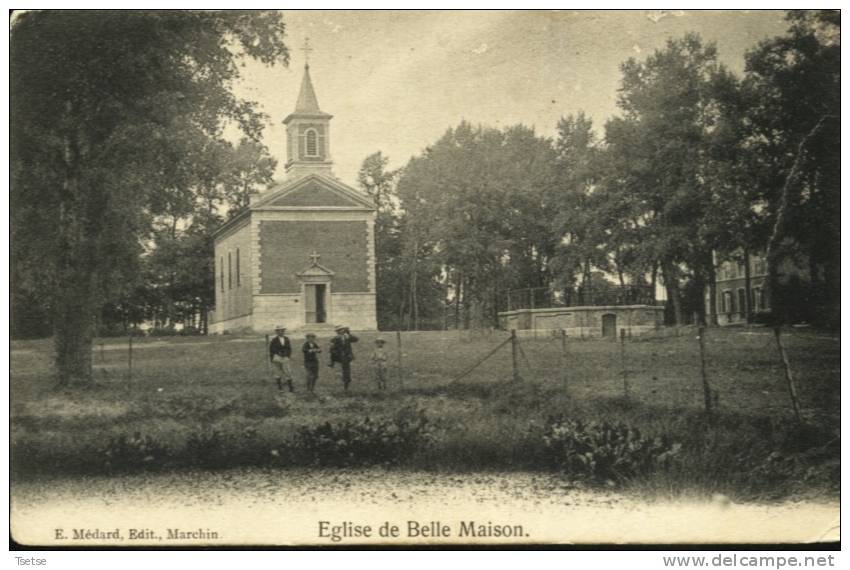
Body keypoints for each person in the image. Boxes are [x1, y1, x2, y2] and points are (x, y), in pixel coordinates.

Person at [329, 325, 358, 391]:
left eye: (343, 330)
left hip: (346, 356)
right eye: (340, 330)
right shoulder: (336, 338)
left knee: (346, 370)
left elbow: (356, 339)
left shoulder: (347, 337)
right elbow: (332, 343)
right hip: (339, 356)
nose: (342, 331)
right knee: (345, 369)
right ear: (337, 332)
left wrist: (349, 334)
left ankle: (346, 385)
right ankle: (331, 363)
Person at [269, 325, 294, 392]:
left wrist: (287, 355)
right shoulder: (274, 340)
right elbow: (272, 349)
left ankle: (290, 387)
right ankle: (280, 388)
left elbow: (289, 348)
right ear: (276, 332)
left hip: (285, 357)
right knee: (277, 372)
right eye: (279, 331)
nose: (281, 332)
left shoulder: (286, 339)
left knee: (288, 371)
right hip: (277, 357)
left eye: (282, 330)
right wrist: (275, 356)